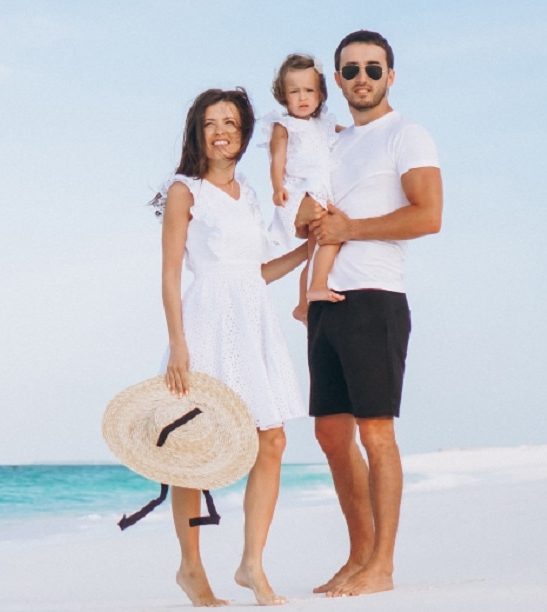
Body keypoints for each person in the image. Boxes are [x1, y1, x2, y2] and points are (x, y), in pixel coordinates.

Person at [294, 30, 443, 597]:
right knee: (331, 435)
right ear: (337, 80)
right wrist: (308, 217)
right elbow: (306, 219)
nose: (362, 78)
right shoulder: (332, 144)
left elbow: (428, 216)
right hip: (324, 302)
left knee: (376, 433)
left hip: (375, 297)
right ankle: (358, 555)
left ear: (390, 77)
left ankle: (382, 565)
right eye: (351, 70)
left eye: (373, 69)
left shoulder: (408, 134)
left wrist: (350, 228)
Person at [151, 88, 308, 606]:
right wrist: (178, 345)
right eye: (212, 123)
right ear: (198, 131)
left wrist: (309, 250)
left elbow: (258, 272)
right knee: (191, 450)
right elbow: (171, 274)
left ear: (243, 135)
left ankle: (251, 565)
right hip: (204, 321)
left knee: (273, 439)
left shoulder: (251, 195)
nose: (222, 132)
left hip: (252, 320)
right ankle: (192, 570)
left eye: (233, 124)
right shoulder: (184, 190)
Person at [260, 53, 345, 324]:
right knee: (328, 237)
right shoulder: (284, 126)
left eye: (309, 90)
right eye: (294, 92)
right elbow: (277, 159)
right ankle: (315, 287)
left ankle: (302, 306)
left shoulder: (325, 124)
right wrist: (276, 188)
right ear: (283, 96)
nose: (302, 97)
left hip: (322, 188)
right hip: (301, 191)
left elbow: (350, 135)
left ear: (320, 93)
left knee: (315, 249)